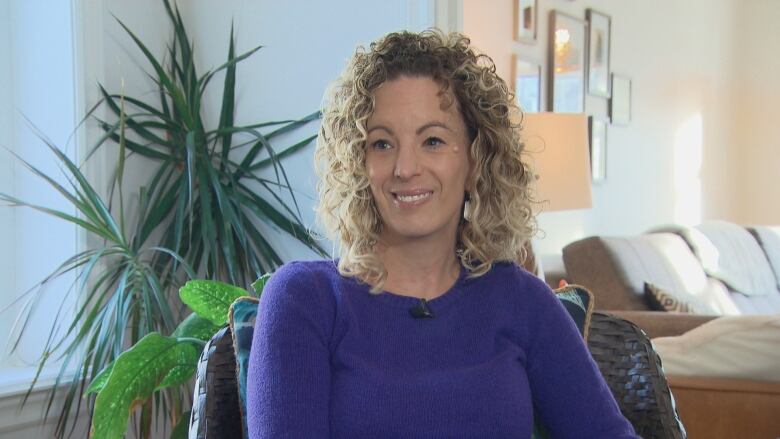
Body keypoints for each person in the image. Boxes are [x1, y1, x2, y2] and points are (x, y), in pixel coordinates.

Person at [246, 30, 638, 438]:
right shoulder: (304, 299)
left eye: (432, 140)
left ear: (475, 160)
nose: (405, 167)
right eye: (381, 144)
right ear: (358, 165)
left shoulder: (523, 302)